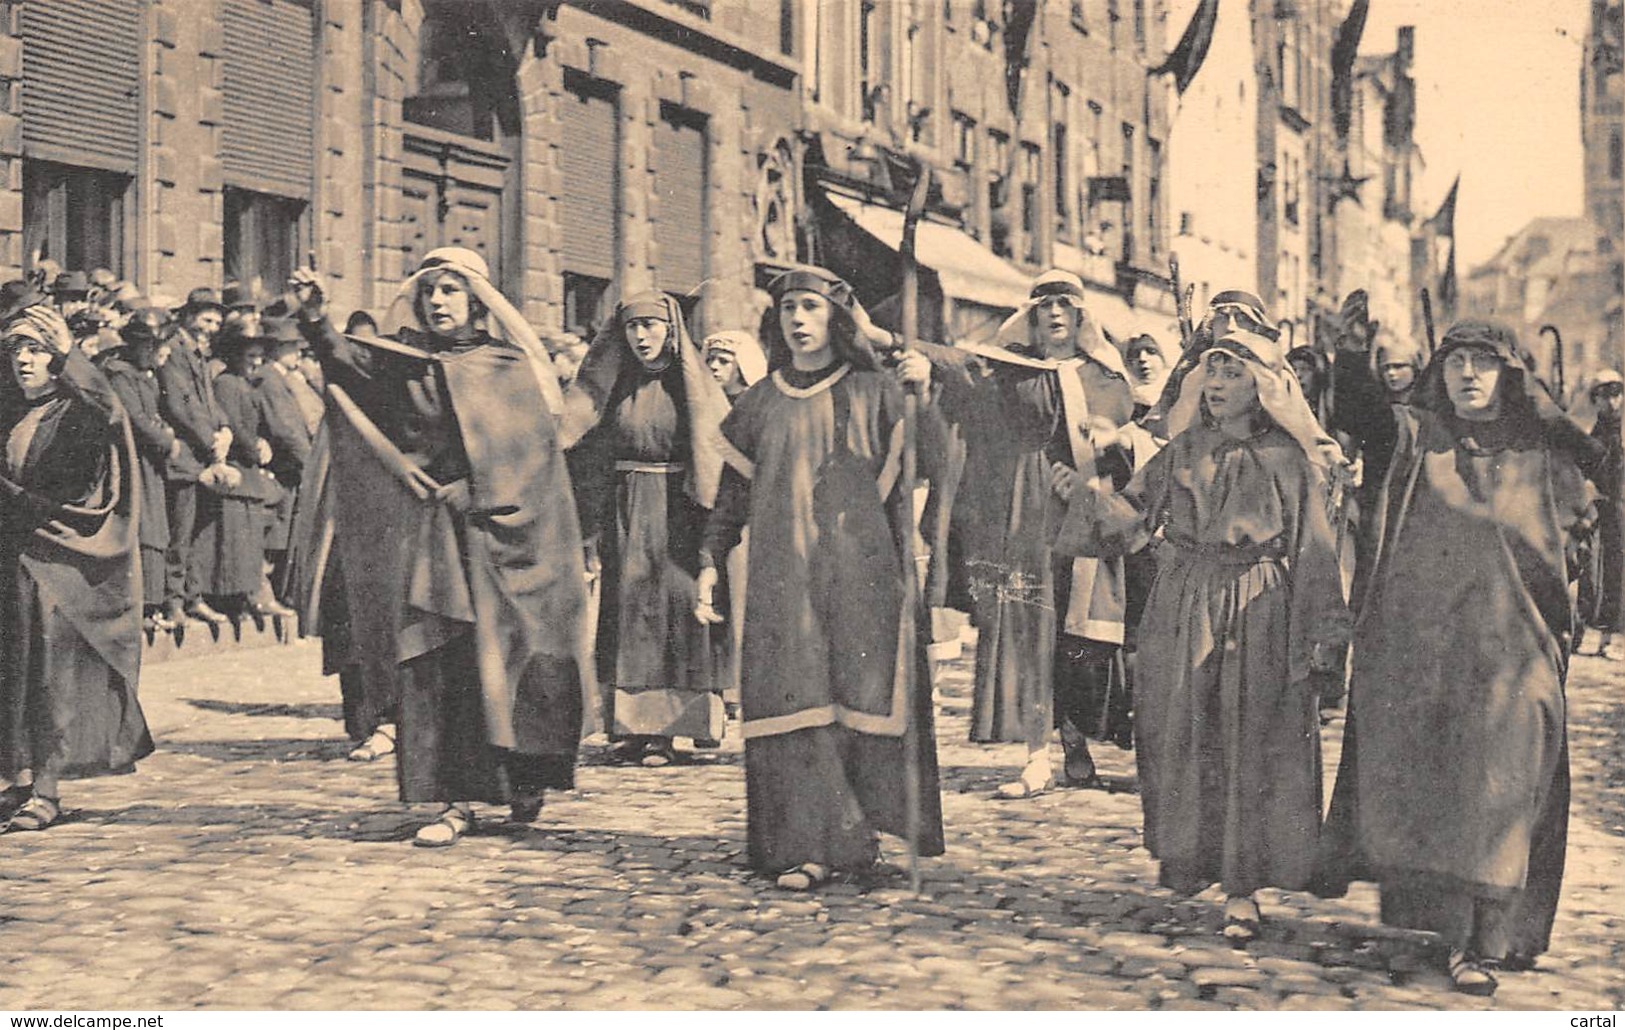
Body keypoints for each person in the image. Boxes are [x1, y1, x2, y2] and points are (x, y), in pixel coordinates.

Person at [1315, 320, 1602, 995]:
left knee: (1502, 788)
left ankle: (1487, 942)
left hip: (1517, 656)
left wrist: (1564, 428)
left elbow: (1593, 510)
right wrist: (1351, 352)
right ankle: (1454, 935)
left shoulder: (1547, 452)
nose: (1467, 375)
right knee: (1447, 793)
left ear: (1510, 374)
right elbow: (1357, 416)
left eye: (1483, 362)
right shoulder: (1417, 441)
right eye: (1454, 362)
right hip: (1432, 650)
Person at [1051, 327, 1350, 941]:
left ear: (1262, 385)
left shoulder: (1287, 458)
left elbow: (1315, 550)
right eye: (1209, 373)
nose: (1216, 385)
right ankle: (1194, 861)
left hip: (1258, 605)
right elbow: (1133, 518)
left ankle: (1243, 885)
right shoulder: (1182, 450)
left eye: (1232, 374)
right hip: (1182, 602)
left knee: (1248, 736)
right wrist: (1088, 496)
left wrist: (1322, 636)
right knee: (1184, 732)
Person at [289, 250, 589, 847]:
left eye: (451, 290)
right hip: (436, 539)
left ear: (477, 299)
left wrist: (474, 489)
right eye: (430, 292)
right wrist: (317, 321)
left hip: (503, 540)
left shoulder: (506, 366)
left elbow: (533, 456)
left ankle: (521, 780)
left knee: (510, 664)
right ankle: (453, 800)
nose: (439, 302)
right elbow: (347, 368)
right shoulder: (404, 364)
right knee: (438, 662)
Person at [694, 265, 944, 890]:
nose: (799, 320)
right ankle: (806, 845)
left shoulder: (875, 390)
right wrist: (707, 562)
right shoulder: (759, 402)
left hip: (861, 571)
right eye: (788, 310)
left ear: (836, 317)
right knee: (794, 702)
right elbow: (731, 495)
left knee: (857, 697)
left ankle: (855, 838)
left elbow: (933, 462)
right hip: (784, 577)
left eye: (810, 307)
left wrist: (924, 392)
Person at [955, 270, 1137, 799]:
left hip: (1085, 528)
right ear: (1031, 317)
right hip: (1026, 519)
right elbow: (979, 427)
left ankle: (1075, 742)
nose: (1054, 315)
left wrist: (1089, 474)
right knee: (1029, 634)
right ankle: (1035, 755)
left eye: (1064, 305)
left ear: (1081, 316)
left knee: (1079, 647)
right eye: (1044, 307)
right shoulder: (1011, 374)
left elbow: (1129, 456)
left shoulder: (1106, 376)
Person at [0, 306, 153, 832]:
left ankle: (46, 788)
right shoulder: (10, 410)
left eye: (36, 348)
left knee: (51, 679)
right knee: (13, 675)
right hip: (12, 561)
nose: (23, 358)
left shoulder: (77, 415)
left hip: (57, 566)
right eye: (16, 348)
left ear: (58, 358)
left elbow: (108, 411)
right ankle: (19, 780)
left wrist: (73, 356)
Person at [563, 292, 732, 765]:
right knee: (627, 615)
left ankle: (668, 730)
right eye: (633, 328)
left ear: (671, 330)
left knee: (675, 615)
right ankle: (630, 728)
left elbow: (714, 447)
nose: (641, 336)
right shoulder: (616, 386)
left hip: (678, 511)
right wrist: (590, 524)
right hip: (624, 508)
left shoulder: (690, 387)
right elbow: (591, 454)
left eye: (651, 326)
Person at [98, 309, 183, 633]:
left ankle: (152, 602)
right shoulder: (120, 374)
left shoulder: (142, 375)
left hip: (149, 464)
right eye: (149, 346)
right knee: (143, 528)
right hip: (133, 463)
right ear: (134, 345)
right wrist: (166, 439)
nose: (155, 352)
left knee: (156, 528)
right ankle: (142, 606)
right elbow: (135, 420)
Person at [156, 287, 232, 626]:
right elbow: (180, 404)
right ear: (188, 317)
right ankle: (174, 601)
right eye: (206, 319)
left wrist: (225, 428)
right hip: (185, 458)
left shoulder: (200, 353)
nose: (212, 327)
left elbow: (209, 402)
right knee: (180, 533)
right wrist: (210, 441)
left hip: (204, 454)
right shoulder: (174, 350)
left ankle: (194, 597)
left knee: (199, 532)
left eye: (216, 321)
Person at [255, 317, 316, 600]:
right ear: (277, 348)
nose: (298, 353)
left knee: (284, 532)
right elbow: (284, 428)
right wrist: (309, 463)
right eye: (292, 347)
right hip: (282, 468)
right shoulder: (270, 378)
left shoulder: (281, 377)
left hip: (290, 467)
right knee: (276, 534)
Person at [1578, 370, 1623, 658]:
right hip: (1597, 509)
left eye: (1617, 394)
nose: (1613, 401)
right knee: (1589, 570)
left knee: (1617, 571)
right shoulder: (1593, 436)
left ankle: (1608, 639)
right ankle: (1580, 632)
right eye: (1605, 395)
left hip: (1620, 510)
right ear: (1595, 400)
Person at [702, 330, 767, 401]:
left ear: (741, 367)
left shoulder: (753, 403)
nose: (713, 366)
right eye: (711, 359)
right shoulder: (708, 401)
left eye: (724, 361)